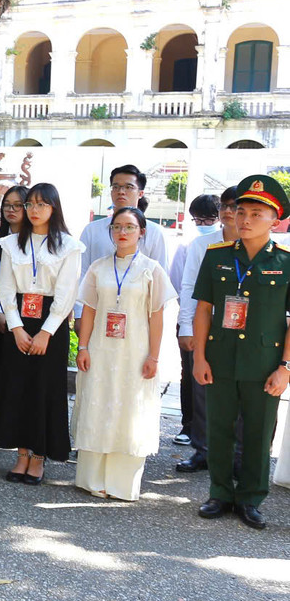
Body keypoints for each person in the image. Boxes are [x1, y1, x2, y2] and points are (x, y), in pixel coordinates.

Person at [191, 174, 290, 530]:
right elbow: (203, 309)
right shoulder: (216, 256)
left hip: (265, 362)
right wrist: (199, 357)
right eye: (240, 212)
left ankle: (250, 498)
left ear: (274, 221)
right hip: (220, 358)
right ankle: (220, 493)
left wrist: (286, 367)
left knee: (259, 432)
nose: (245, 220)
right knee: (219, 428)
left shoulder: (286, 260)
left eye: (256, 214)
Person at [72, 206, 176, 501]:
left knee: (128, 410)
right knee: (97, 404)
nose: (122, 232)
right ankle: (91, 479)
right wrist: (83, 346)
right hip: (101, 350)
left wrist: (153, 356)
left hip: (135, 351)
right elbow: (89, 310)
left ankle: (121, 483)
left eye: (130, 227)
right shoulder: (98, 267)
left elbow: (157, 316)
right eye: (117, 227)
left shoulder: (151, 269)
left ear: (142, 232)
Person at [0, 182, 84, 486]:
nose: (34, 210)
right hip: (19, 321)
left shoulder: (69, 246)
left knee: (44, 390)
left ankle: (39, 456)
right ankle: (21, 453)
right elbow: (5, 288)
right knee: (17, 388)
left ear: (54, 208)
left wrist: (46, 332)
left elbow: (67, 293)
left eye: (41, 205)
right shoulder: (10, 243)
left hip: (50, 325)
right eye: (29, 204)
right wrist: (16, 327)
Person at [174, 186, 241, 473]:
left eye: (234, 206)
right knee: (201, 389)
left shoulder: (260, 246)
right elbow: (189, 286)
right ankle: (202, 451)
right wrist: (186, 327)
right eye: (224, 206)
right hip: (207, 325)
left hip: (243, 330)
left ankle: (238, 457)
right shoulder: (203, 245)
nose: (228, 211)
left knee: (240, 393)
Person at [169, 193, 221, 450]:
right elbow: (181, 284)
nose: (203, 223)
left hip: (222, 321)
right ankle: (189, 426)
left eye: (209, 218)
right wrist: (186, 321)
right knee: (190, 375)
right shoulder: (189, 246)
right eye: (198, 219)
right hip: (191, 318)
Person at [79, 165, 170, 282]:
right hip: (98, 298)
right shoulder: (92, 230)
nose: (121, 192)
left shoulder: (155, 232)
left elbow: (161, 277)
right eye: (116, 187)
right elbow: (82, 272)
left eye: (128, 187)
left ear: (140, 193)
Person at [0, 184, 28, 424]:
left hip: (28, 310)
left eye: (17, 205)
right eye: (7, 205)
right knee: (1, 370)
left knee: (23, 371)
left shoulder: (35, 239)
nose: (11, 210)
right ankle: (1, 423)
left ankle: (21, 423)